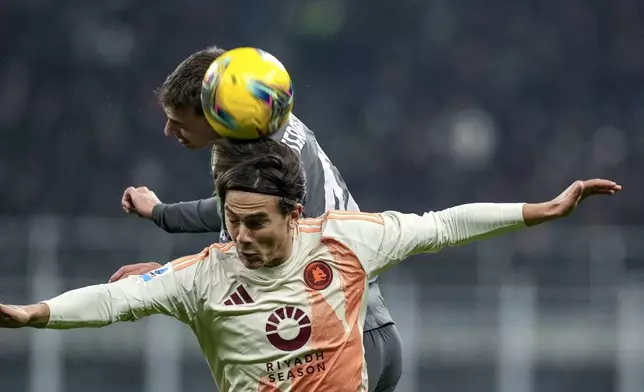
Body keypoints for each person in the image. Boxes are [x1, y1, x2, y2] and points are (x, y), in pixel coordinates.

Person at [0, 138, 621, 392]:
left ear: (294, 214)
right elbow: (112, 301)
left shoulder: (345, 241)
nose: (238, 235)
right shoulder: (203, 274)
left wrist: (542, 209)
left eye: (255, 222)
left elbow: (444, 224)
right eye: (231, 220)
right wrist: (33, 314)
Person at [116, 46, 402, 391]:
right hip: (375, 327)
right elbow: (236, 214)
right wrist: (162, 213)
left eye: (178, 119)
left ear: (213, 110)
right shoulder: (272, 121)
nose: (168, 130)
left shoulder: (249, 157)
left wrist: (161, 279)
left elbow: (236, 266)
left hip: (335, 342)